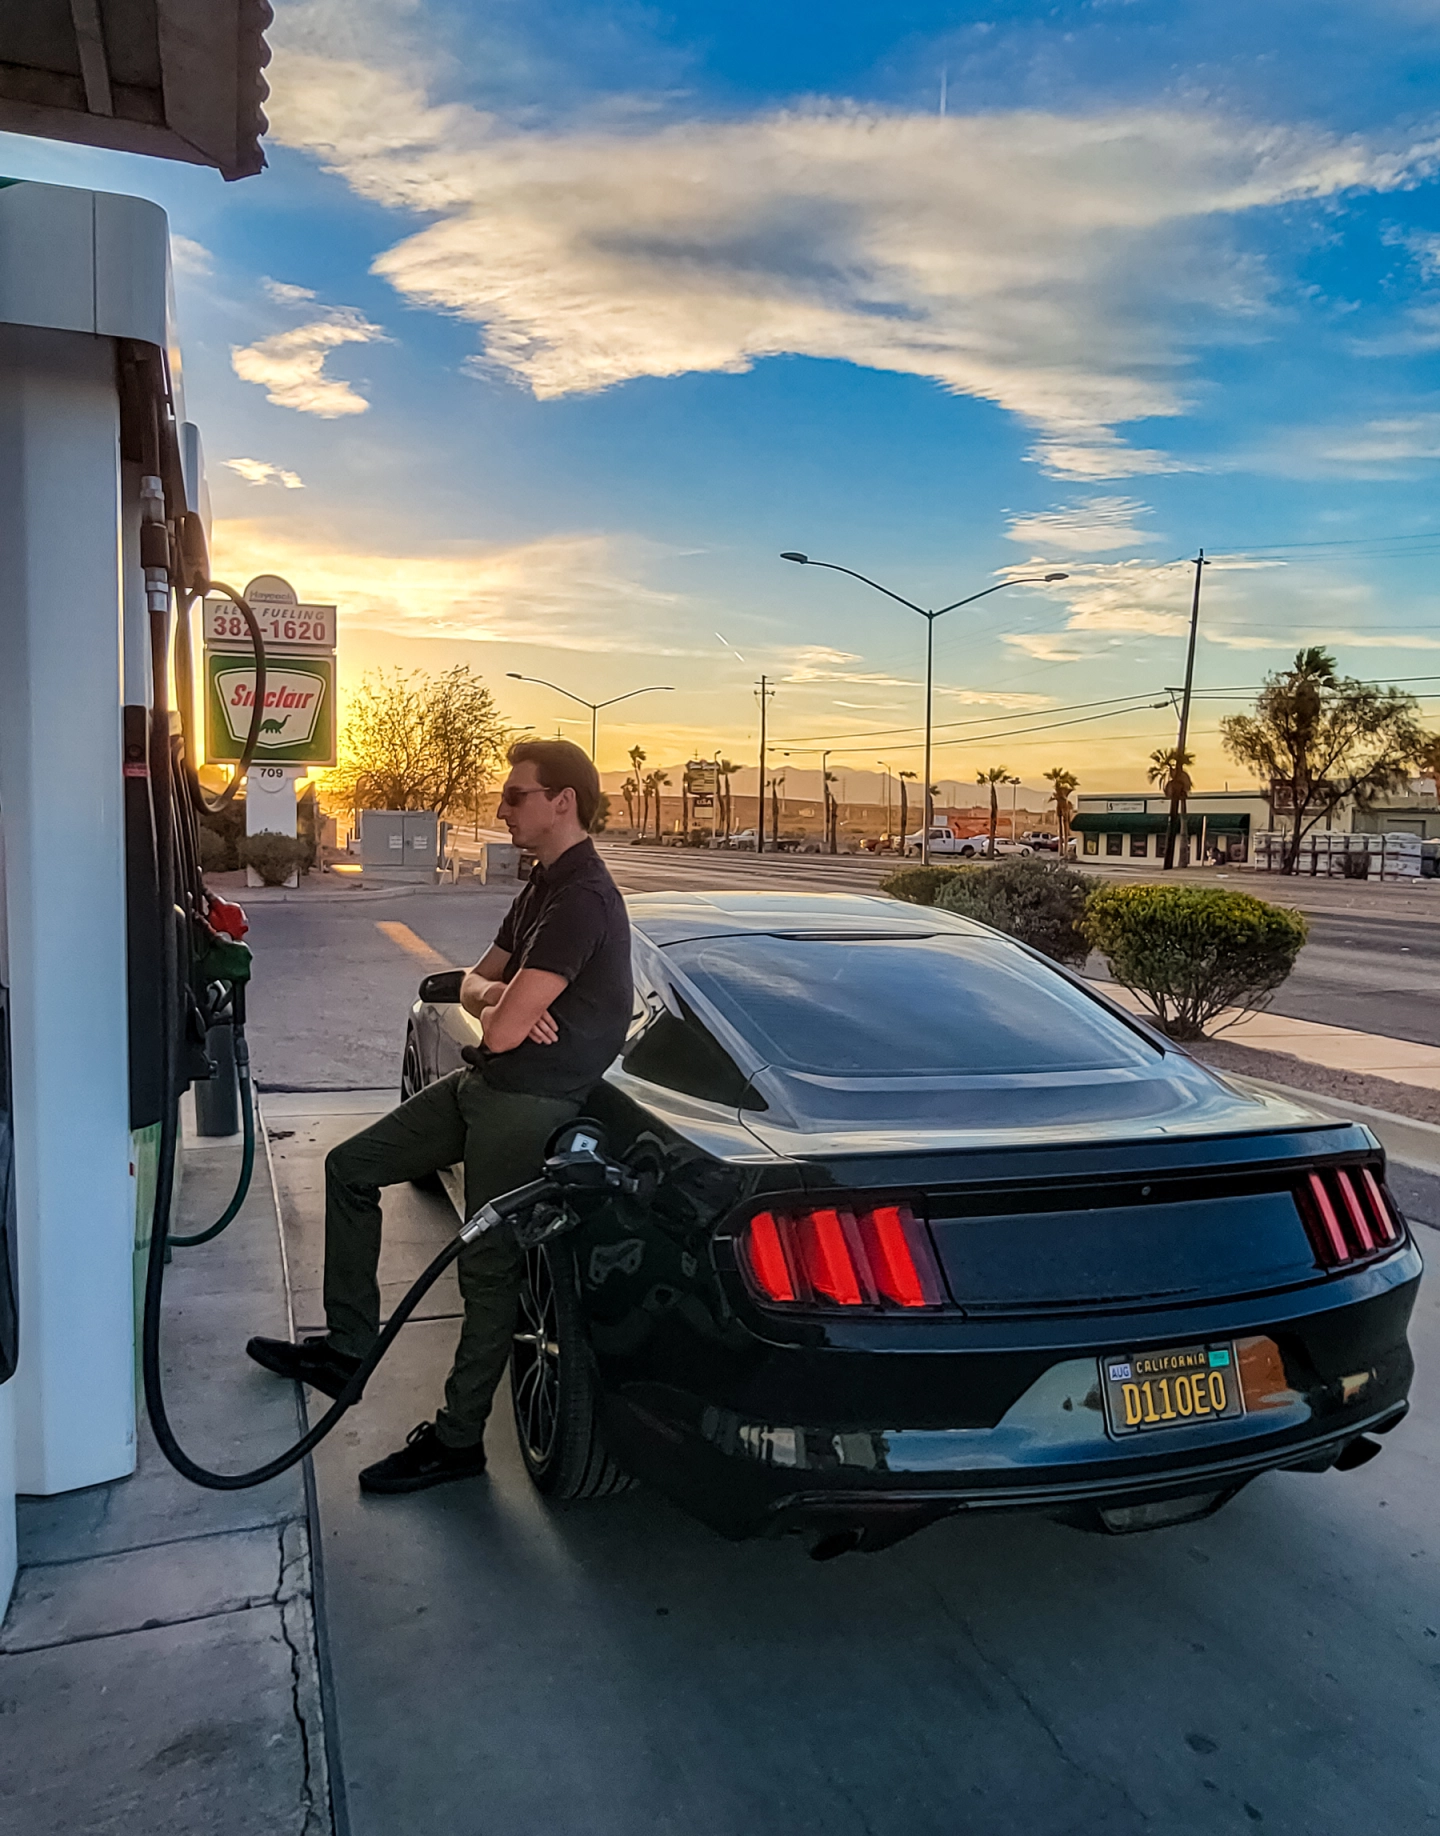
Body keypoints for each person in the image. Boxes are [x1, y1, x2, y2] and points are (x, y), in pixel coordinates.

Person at [246, 739, 632, 1494]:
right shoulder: (542, 887)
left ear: (564, 802)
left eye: (516, 795)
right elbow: (475, 987)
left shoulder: (583, 897)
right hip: (482, 1088)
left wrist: (500, 1002)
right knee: (349, 1166)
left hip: (527, 1105)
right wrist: (501, 993)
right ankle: (348, 1347)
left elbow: (499, 1027)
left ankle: (457, 1442)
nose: (501, 808)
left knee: (486, 1272)